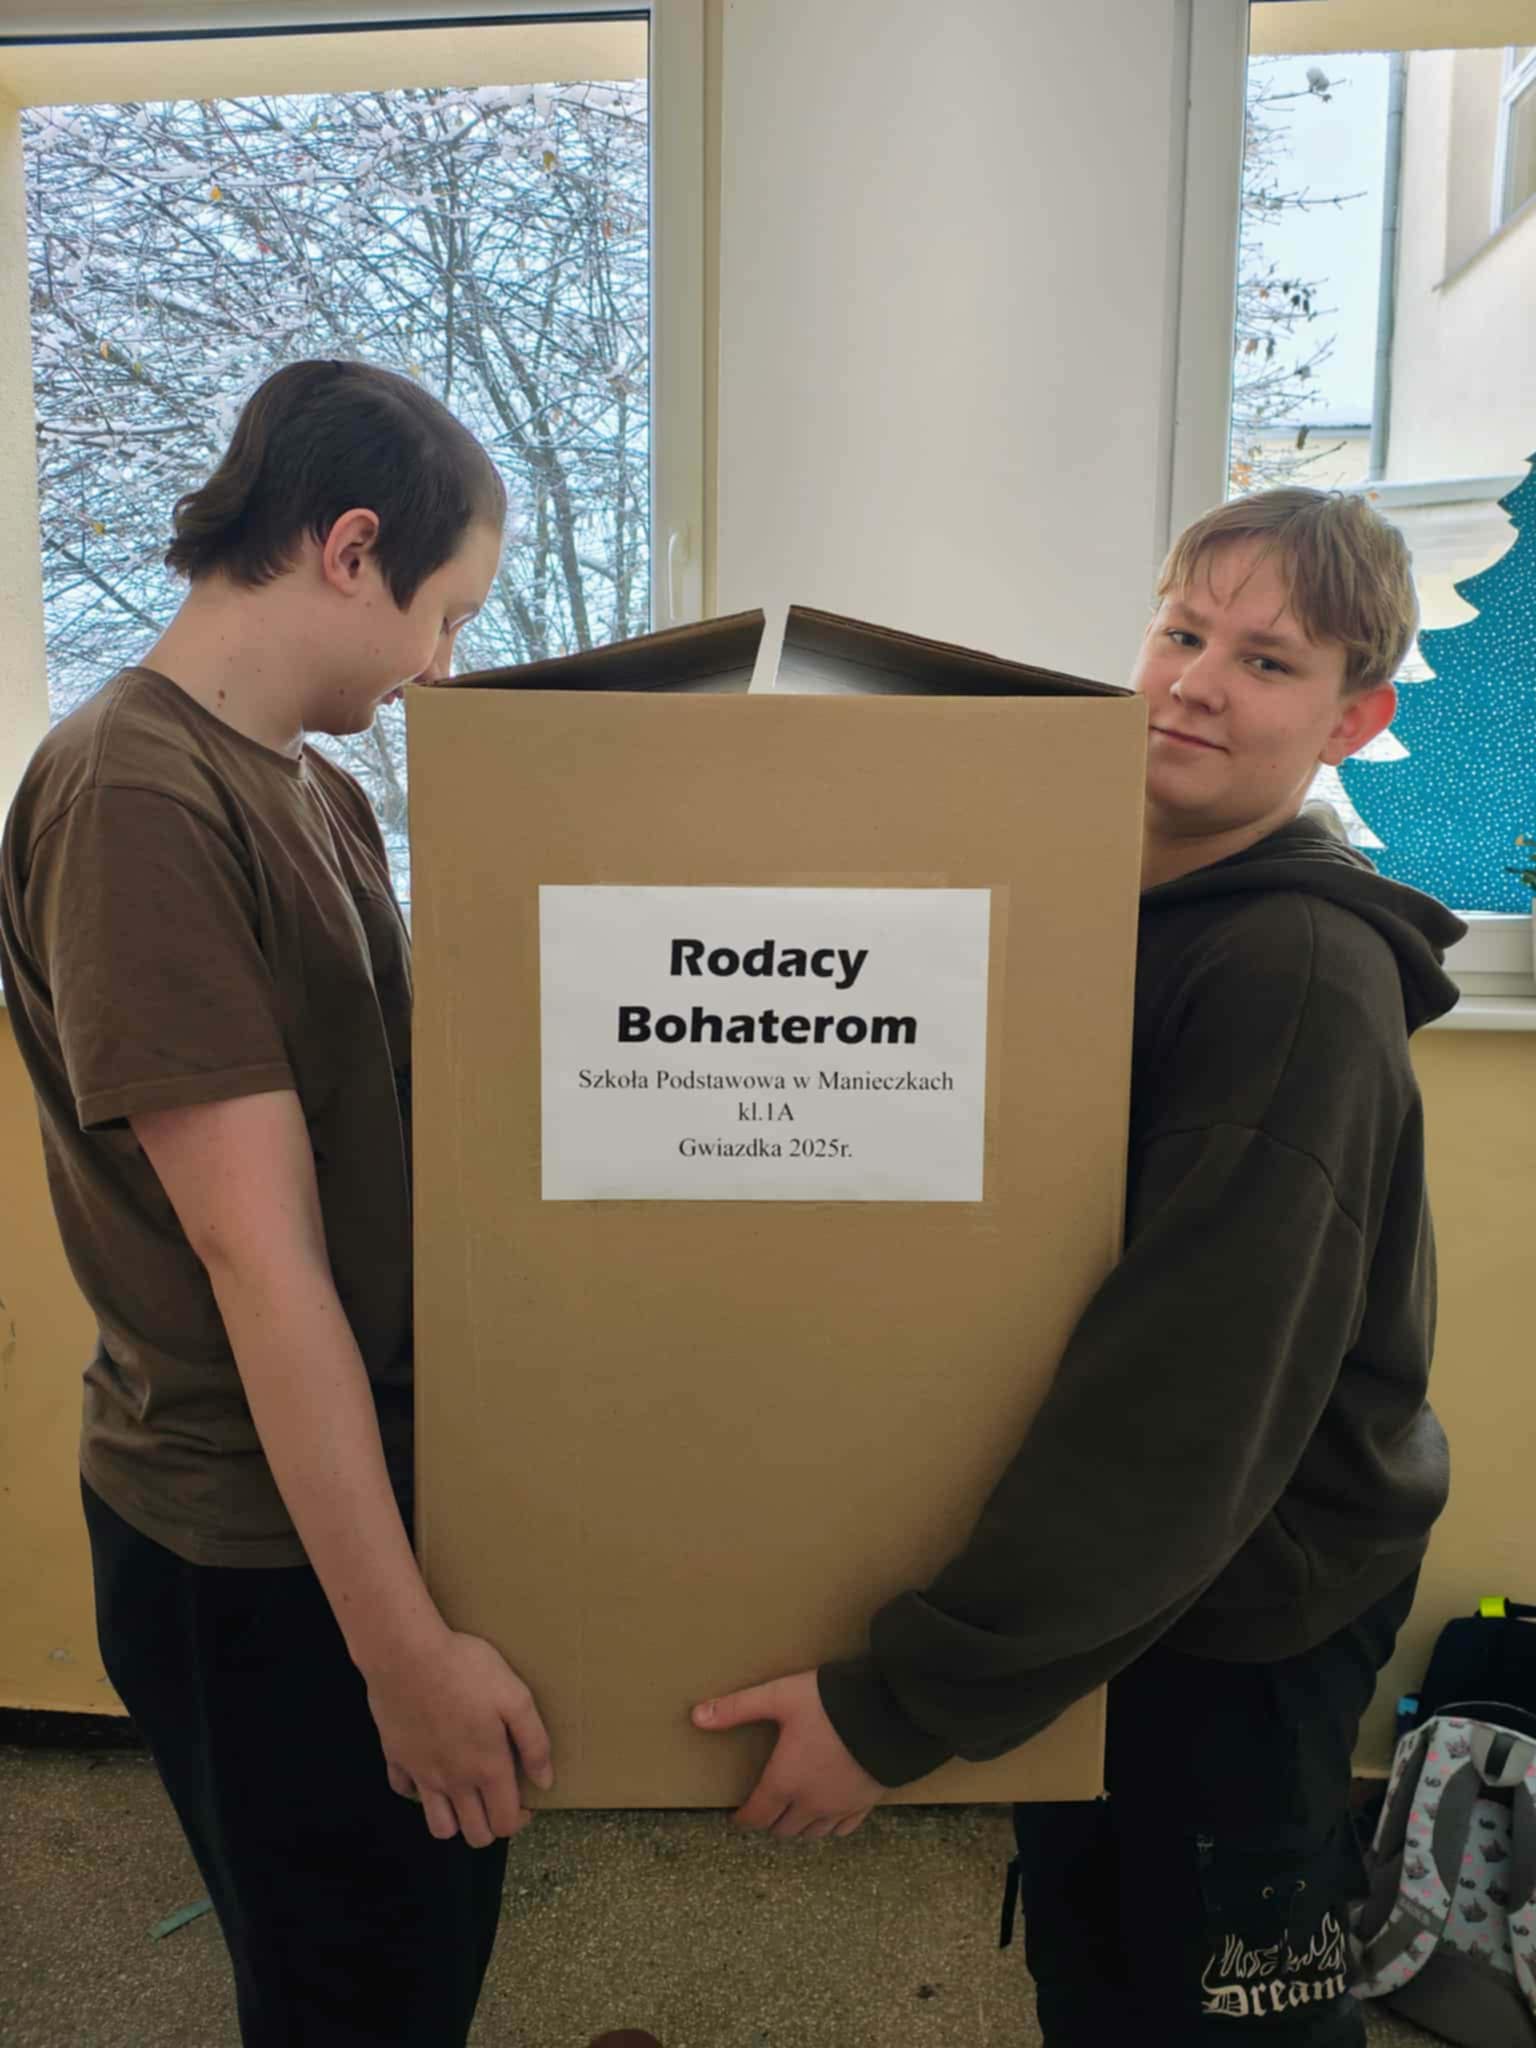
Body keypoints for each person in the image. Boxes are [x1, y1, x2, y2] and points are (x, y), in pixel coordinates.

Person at [693, 487, 1464, 2042]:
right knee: (1100, 1976)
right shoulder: (1111, 910)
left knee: (1209, 2013)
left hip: (1243, 1613)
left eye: (1267, 661)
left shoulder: (1292, 974)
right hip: (1135, 1593)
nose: (1195, 683)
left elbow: (1190, 1391)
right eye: (1182, 633)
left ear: (1354, 719)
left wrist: (904, 1704)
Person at [1, 359, 551, 2048]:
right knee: (350, 2003)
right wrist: (404, 1656)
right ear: (352, 548)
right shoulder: (135, 795)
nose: (440, 662)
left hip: (361, 1493)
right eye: (444, 615)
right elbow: (260, 1258)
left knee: (419, 1962)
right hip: (247, 1541)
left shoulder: (315, 789)